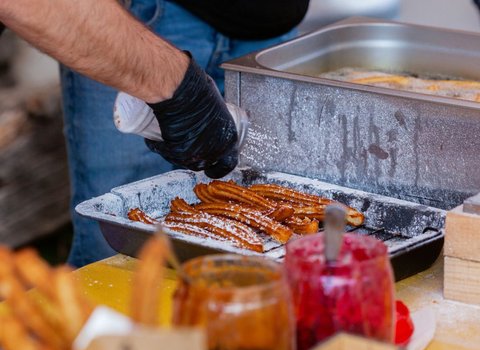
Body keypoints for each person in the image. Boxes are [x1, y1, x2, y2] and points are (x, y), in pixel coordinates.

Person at [0, 0, 309, 267]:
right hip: (131, 22)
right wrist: (174, 83)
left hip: (270, 23)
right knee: (117, 248)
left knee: (265, 256)